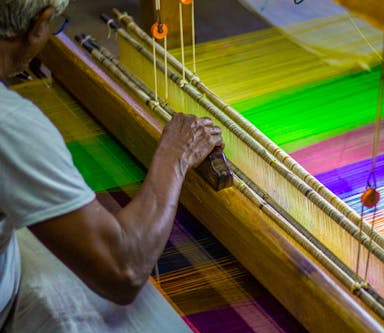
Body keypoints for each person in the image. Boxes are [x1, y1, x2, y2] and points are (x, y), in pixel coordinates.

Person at [0, 0, 225, 331]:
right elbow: (124, 270)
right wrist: (174, 157)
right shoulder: (12, 125)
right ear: (39, 22)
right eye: (55, 24)